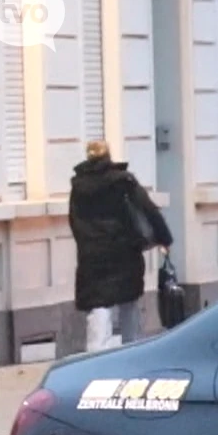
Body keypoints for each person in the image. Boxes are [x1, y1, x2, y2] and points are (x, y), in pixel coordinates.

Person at [69, 140, 171, 351]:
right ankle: (132, 352)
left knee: (99, 306)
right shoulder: (123, 182)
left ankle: (95, 355)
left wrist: (88, 242)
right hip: (123, 253)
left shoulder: (78, 188)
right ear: (108, 157)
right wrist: (164, 238)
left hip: (93, 257)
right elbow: (148, 210)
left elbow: (74, 221)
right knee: (129, 303)